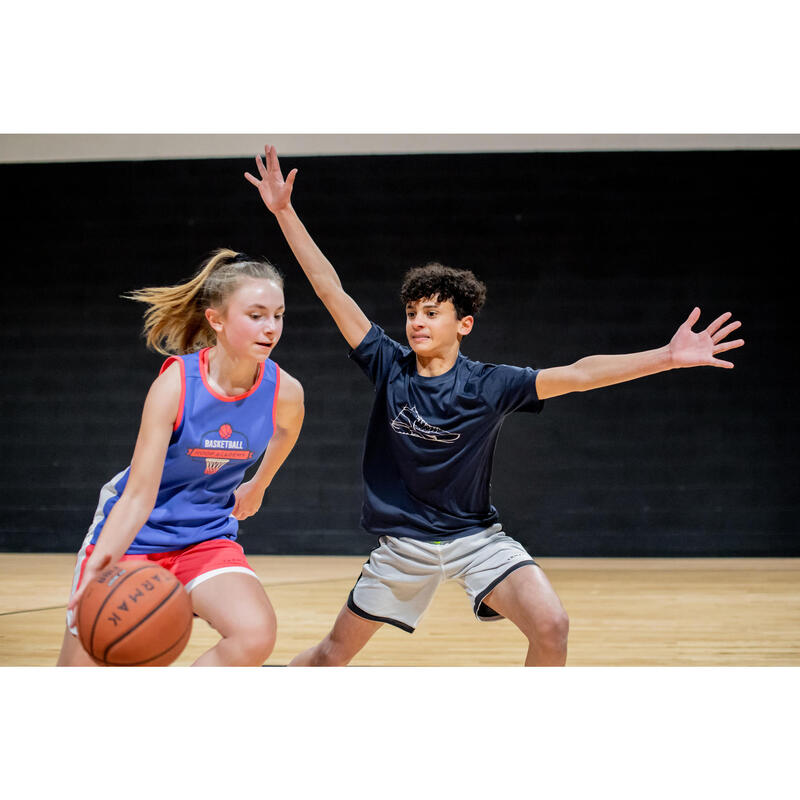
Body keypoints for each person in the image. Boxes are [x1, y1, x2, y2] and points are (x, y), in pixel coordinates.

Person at [246, 145, 744, 667]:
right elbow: (330, 288)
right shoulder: (388, 364)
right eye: (412, 311)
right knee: (329, 658)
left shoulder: (490, 384)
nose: (416, 322)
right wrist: (284, 211)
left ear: (463, 324)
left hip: (475, 539)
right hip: (404, 547)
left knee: (551, 625)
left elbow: (579, 374)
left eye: (431, 312)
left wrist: (665, 357)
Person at [57, 249, 304, 666]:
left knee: (254, 634)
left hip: (205, 537)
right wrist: (101, 566)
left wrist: (258, 484)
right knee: (80, 673)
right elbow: (136, 497)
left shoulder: (285, 390)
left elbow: (286, 432)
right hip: (135, 534)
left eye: (277, 315)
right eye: (256, 315)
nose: (271, 327)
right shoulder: (176, 384)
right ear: (217, 320)